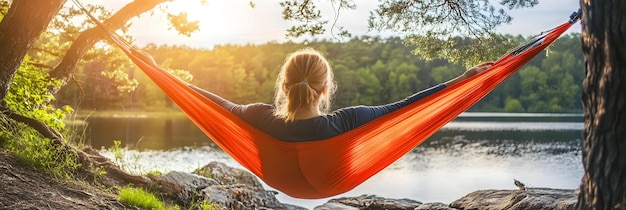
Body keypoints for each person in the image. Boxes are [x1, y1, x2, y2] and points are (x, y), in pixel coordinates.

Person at [190, 48, 493, 142]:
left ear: (284, 87)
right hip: (330, 181)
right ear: (325, 90)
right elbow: (406, 107)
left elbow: (219, 104)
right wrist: (461, 80)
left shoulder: (260, 117)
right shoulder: (348, 121)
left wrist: (165, 77)